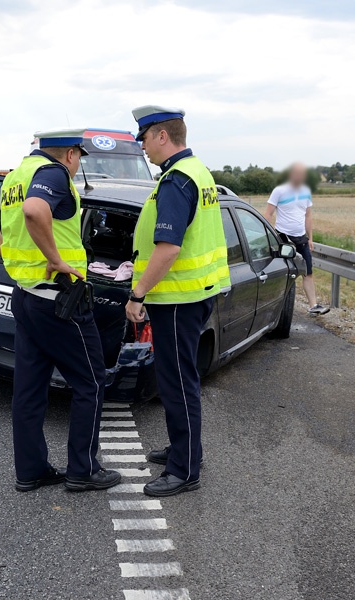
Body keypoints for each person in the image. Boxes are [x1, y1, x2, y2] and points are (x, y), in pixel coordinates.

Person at [0, 129, 121, 493]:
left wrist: (8, 252)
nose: (77, 165)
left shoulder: (15, 177)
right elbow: (35, 210)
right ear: (71, 154)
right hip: (60, 300)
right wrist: (56, 260)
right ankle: (82, 470)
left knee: (29, 389)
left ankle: (31, 470)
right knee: (90, 382)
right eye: (79, 158)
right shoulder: (53, 174)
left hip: (26, 297)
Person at [125, 106, 231, 497]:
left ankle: (184, 470)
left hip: (176, 299)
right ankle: (185, 450)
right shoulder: (198, 171)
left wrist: (138, 294)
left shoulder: (175, 180)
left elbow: (168, 249)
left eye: (144, 138)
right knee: (180, 379)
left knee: (176, 383)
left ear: (162, 136)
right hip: (193, 294)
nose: (142, 147)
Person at [264, 163, 329, 315]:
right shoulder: (279, 191)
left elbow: (308, 215)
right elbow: (268, 214)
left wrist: (310, 238)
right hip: (283, 238)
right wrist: (268, 236)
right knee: (285, 273)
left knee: (308, 272)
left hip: (302, 238)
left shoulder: (306, 191)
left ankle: (313, 306)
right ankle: (276, 307)